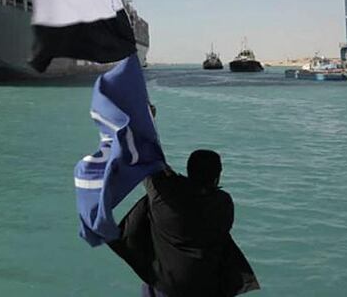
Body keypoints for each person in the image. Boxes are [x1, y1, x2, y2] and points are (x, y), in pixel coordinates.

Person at [109, 119, 258, 296]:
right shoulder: (223, 203)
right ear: (217, 176)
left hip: (165, 287)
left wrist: (148, 121)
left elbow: (149, 162)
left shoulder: (164, 197)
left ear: (189, 172)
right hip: (207, 287)